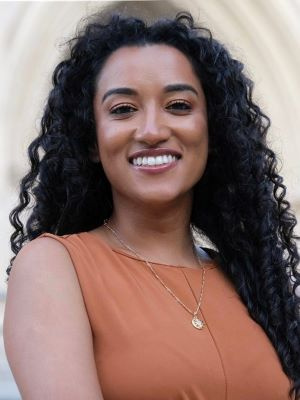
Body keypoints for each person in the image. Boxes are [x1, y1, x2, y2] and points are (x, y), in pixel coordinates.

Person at [3, 9, 300, 400]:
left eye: (178, 105)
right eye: (123, 109)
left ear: (213, 130)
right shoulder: (55, 267)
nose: (153, 131)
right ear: (92, 140)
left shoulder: (252, 284)